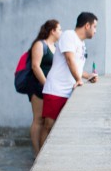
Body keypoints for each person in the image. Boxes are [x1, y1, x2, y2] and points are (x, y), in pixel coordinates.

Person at [40, 12, 97, 147]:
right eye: (94, 27)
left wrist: (88, 76)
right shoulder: (69, 35)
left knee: (61, 129)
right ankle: (41, 158)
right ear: (87, 25)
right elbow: (69, 59)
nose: (95, 31)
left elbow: (76, 66)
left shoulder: (81, 43)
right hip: (56, 90)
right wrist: (78, 79)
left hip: (68, 92)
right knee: (49, 126)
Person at [25, 19, 61, 156]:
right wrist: (46, 84)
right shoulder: (40, 44)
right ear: (52, 31)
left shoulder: (55, 47)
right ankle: (36, 152)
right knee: (38, 119)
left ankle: (44, 151)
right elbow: (35, 66)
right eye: (59, 29)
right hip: (38, 87)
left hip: (51, 89)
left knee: (48, 120)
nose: (61, 32)